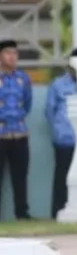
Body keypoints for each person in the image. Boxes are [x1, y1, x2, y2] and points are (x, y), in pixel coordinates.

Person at [45, 47, 77, 219]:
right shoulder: (58, 84)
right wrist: (59, 129)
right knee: (62, 178)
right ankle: (57, 212)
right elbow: (49, 111)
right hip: (65, 139)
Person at [0, 39, 32, 220]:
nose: (12, 57)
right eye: (7, 53)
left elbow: (27, 104)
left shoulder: (23, 78)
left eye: (15, 53)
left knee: (20, 176)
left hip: (19, 133)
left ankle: (22, 213)